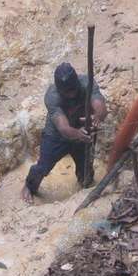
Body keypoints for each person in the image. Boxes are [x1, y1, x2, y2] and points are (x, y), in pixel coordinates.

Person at [21, 62, 107, 203]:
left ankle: (84, 186)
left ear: (77, 83)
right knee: (43, 166)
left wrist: (98, 116)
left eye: (73, 90)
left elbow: (100, 104)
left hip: (83, 133)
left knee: (86, 169)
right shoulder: (52, 96)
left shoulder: (87, 83)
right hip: (56, 137)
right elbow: (63, 128)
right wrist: (78, 134)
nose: (71, 94)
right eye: (67, 92)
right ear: (59, 89)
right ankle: (29, 186)